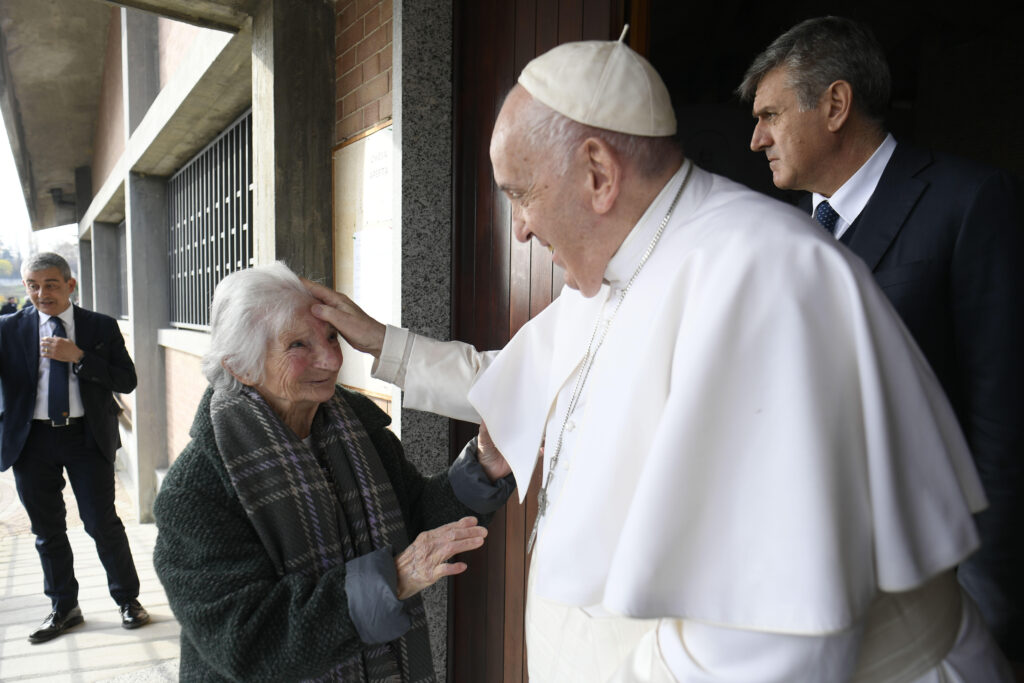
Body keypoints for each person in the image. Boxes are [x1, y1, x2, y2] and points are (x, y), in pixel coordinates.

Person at [309, 31, 1014, 681]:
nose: (519, 228)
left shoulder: (764, 275)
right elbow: (523, 381)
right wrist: (384, 343)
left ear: (596, 172)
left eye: (520, 195)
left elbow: (769, 637)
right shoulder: (616, 269)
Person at [738, 16, 1024, 672]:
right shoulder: (775, 235)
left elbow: (1003, 420)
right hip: (813, 598)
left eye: (771, 114)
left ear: (835, 105)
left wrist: (986, 602)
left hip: (943, 599)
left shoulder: (971, 202)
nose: (755, 139)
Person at [152, 262, 514, 682]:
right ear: (240, 366)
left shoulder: (357, 430)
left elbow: (414, 519)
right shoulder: (195, 493)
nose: (331, 359)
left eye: (330, 336)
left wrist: (484, 468)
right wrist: (390, 581)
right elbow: (249, 642)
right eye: (298, 345)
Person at [0, 252, 149, 642]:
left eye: (50, 284)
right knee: (47, 530)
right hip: (31, 441)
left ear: (70, 285)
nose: (40, 293)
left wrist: (79, 357)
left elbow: (126, 380)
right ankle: (64, 607)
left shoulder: (99, 327)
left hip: (86, 437)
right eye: (32, 285)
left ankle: (128, 600)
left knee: (102, 523)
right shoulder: (8, 329)